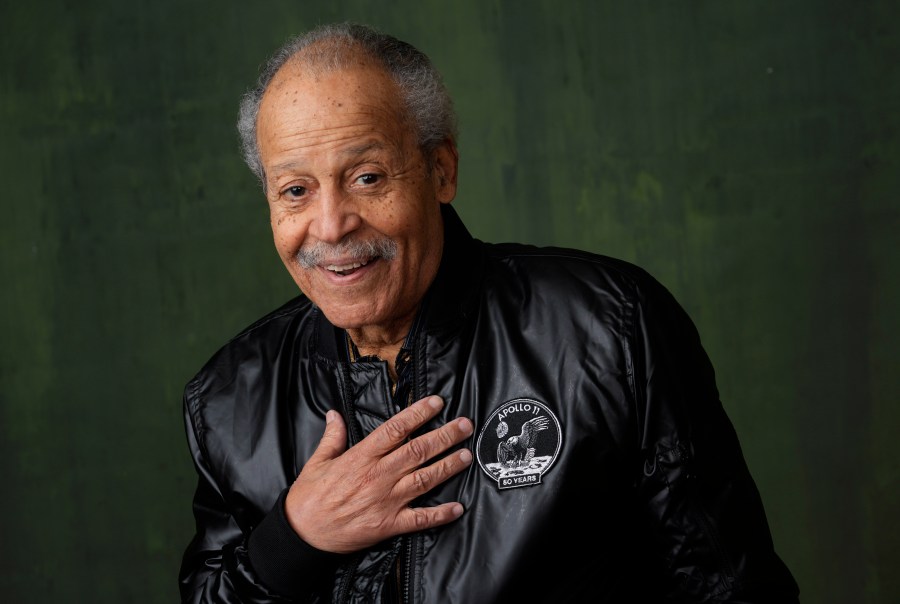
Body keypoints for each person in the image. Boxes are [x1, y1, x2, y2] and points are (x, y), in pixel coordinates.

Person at [179, 22, 800, 603]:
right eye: (295, 190)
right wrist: (294, 537)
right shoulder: (228, 400)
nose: (332, 225)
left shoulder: (607, 328)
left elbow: (729, 587)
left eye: (367, 177)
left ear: (439, 170)